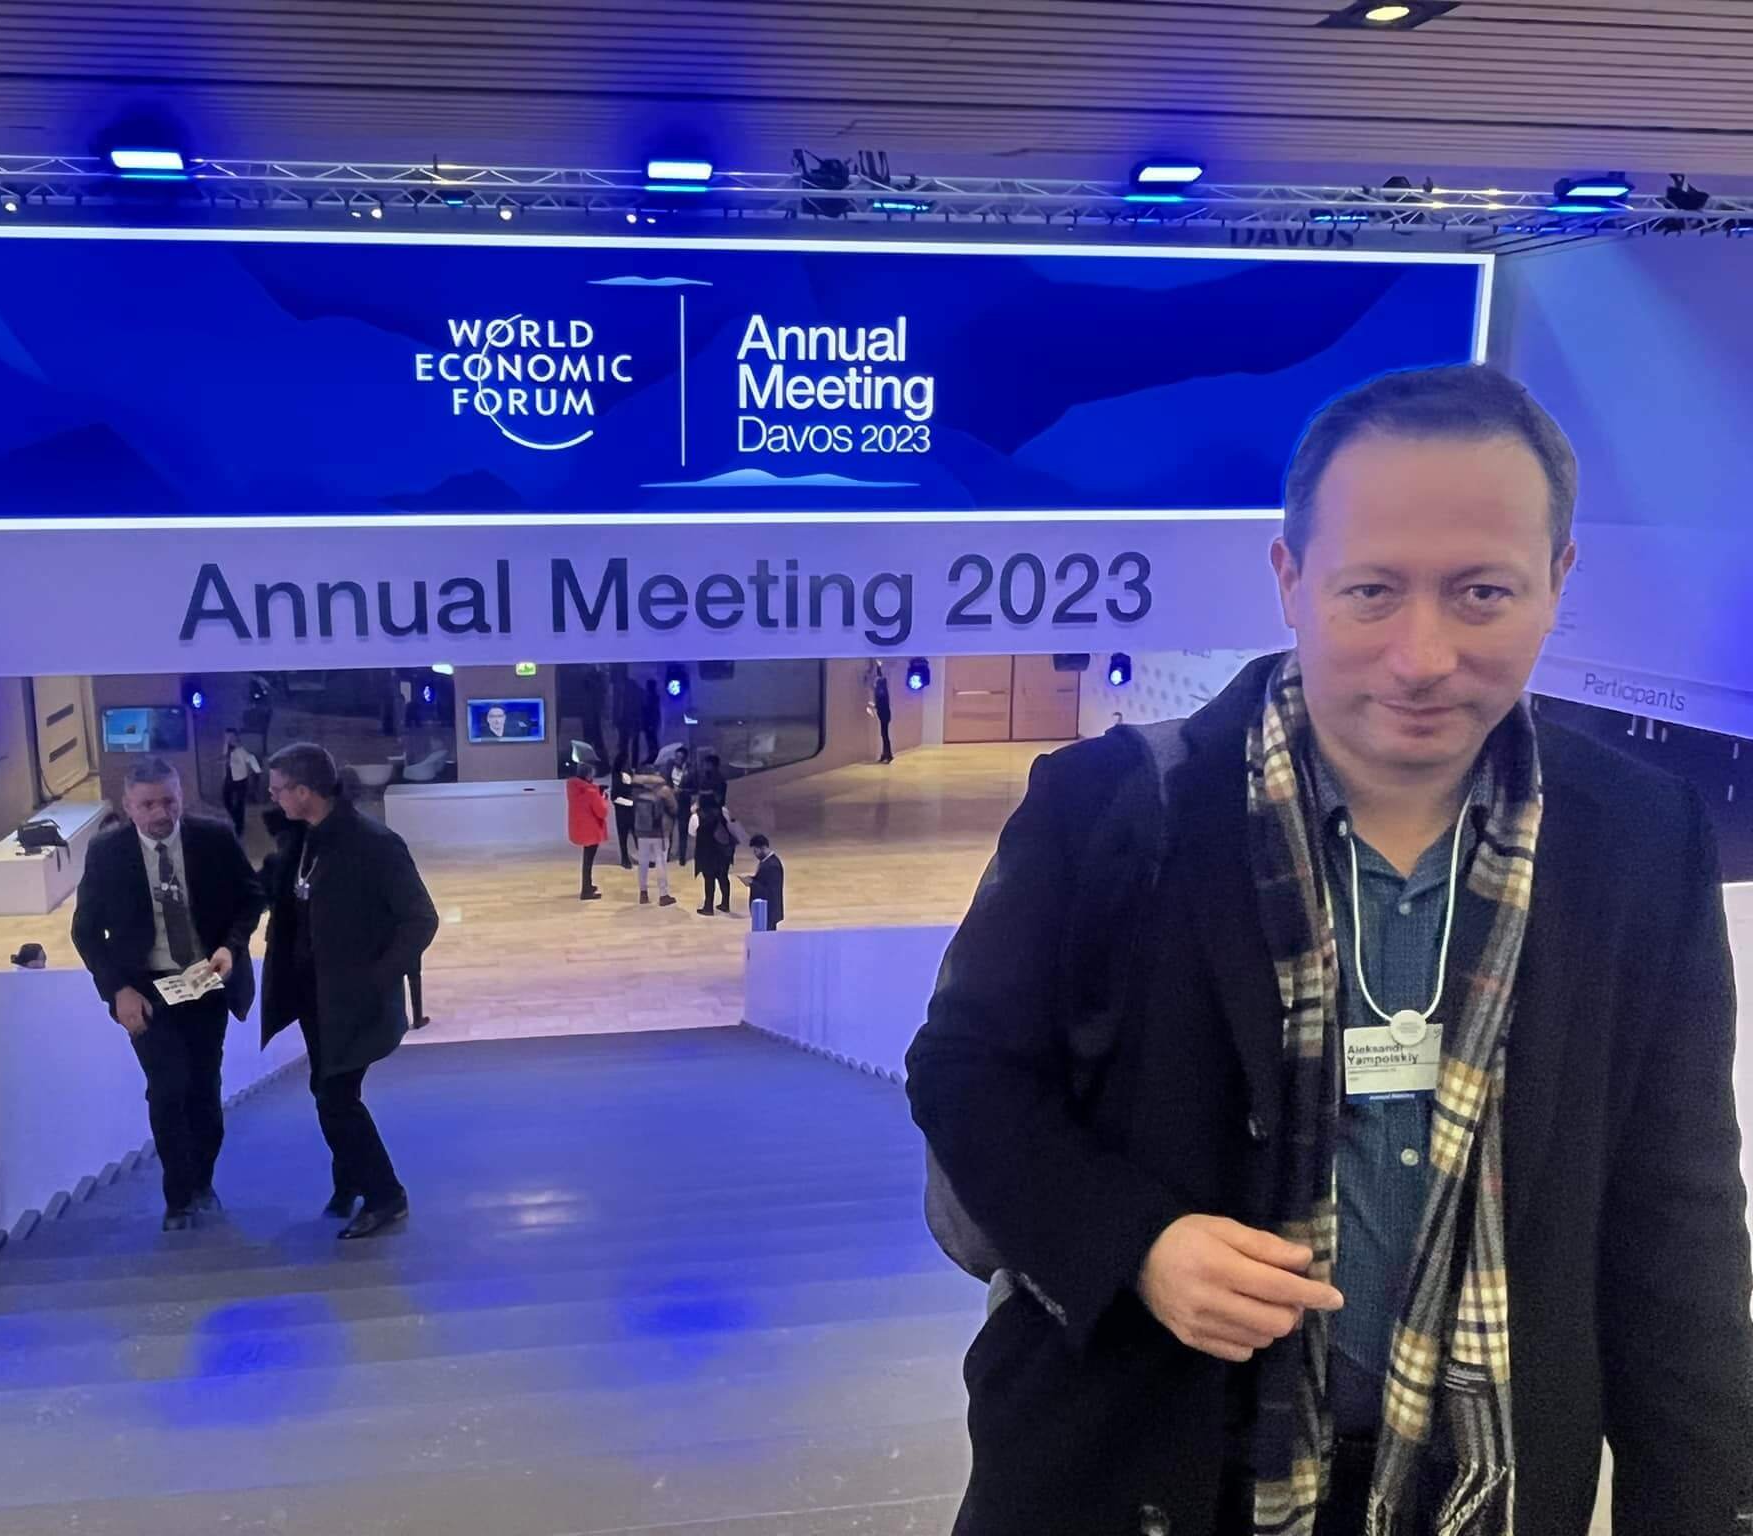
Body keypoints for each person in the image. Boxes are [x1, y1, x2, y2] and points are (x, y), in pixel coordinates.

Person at [905, 365, 1753, 1536]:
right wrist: (1136, 1245)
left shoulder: (1638, 842)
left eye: (1479, 593)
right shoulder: (1107, 808)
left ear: (1556, 581)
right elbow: (964, 1073)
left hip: (1481, 1489)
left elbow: (1673, 1223)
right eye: (1370, 592)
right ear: (1289, 578)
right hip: (1135, 1470)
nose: (1420, 656)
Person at [72, 757, 263, 1232]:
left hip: (206, 982)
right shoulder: (107, 853)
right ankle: (178, 1198)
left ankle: (202, 1182)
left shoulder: (213, 838)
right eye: (148, 805)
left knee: (204, 1087)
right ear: (127, 806)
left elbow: (250, 897)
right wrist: (118, 990)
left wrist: (231, 946)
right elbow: (87, 931)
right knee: (167, 1087)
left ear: (181, 797)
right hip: (146, 991)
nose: (161, 813)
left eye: (169, 801)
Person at [260, 742, 439, 1240]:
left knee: (334, 1098)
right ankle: (350, 1181)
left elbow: (420, 919)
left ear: (304, 791)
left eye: (278, 790)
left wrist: (376, 979)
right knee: (331, 1091)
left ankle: (386, 1195)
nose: (272, 798)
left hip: (354, 1000)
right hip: (314, 997)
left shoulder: (374, 844)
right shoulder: (301, 838)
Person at [629, 767, 678, 908]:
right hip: (659, 832)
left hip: (641, 831)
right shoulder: (664, 790)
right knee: (660, 862)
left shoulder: (636, 791)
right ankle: (663, 895)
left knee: (643, 863)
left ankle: (643, 893)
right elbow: (674, 808)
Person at [692, 789, 741, 917]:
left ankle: (708, 907)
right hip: (722, 851)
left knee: (709, 879)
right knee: (723, 876)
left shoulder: (696, 816)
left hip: (706, 852)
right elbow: (730, 826)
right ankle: (725, 904)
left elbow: (691, 832)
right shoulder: (723, 811)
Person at [565, 759, 609, 901]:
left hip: (580, 828)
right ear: (588, 775)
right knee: (588, 861)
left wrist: (597, 791)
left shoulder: (573, 788)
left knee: (587, 860)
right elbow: (602, 812)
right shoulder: (590, 792)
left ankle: (588, 885)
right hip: (591, 829)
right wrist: (604, 798)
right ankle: (586, 890)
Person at [220, 728, 261, 838]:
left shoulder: (240, 749)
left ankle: (239, 828)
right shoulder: (227, 747)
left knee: (240, 804)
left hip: (241, 780)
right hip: (229, 779)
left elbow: (251, 758)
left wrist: (257, 771)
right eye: (226, 736)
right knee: (226, 799)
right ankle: (235, 819)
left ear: (235, 736)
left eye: (230, 736)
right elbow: (224, 759)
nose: (228, 738)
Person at [742, 833, 784, 931]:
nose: (755, 854)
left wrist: (752, 883)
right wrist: (752, 879)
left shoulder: (773, 865)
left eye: (756, 851)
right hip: (764, 910)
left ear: (763, 848)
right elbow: (763, 881)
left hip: (769, 911)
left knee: (767, 937)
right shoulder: (766, 862)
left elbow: (771, 890)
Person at [608, 751, 638, 870]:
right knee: (623, 836)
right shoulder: (617, 777)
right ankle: (625, 859)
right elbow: (614, 797)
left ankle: (643, 857)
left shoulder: (631, 775)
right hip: (622, 811)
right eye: (626, 762)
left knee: (637, 834)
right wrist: (630, 802)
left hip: (632, 810)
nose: (628, 764)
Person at [871, 663, 895, 763]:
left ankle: (888, 755)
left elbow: (879, 702)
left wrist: (878, 667)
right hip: (884, 714)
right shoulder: (883, 691)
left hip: (884, 714)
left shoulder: (881, 692)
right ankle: (885, 754)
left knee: (884, 735)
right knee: (884, 735)